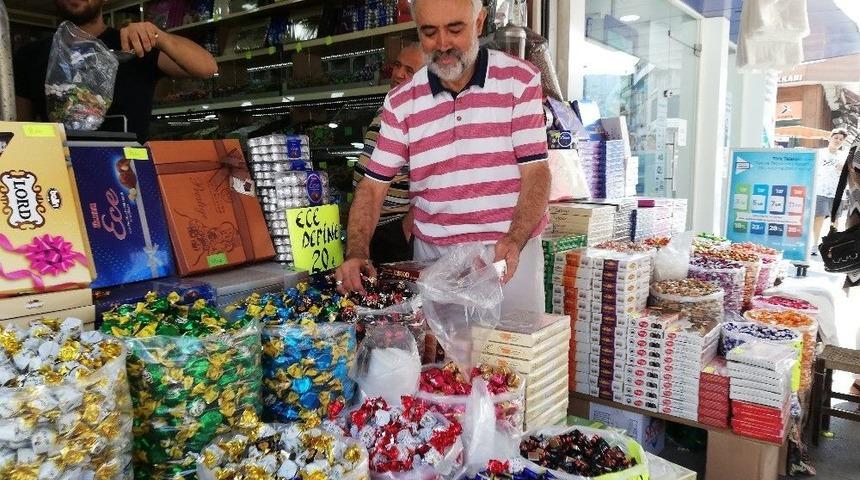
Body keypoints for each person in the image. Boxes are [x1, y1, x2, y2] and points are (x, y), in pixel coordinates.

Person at [335, 0, 551, 313]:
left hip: (507, 255)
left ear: (479, 23)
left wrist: (515, 239)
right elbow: (372, 187)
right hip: (435, 260)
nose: (443, 44)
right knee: (441, 357)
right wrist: (357, 251)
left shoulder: (519, 80)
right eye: (429, 32)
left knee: (515, 355)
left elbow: (537, 173)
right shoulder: (401, 102)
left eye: (455, 29)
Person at [14, 0, 218, 142]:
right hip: (60, 176)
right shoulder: (28, 56)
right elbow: (20, 127)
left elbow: (207, 67)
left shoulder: (135, 44)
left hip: (128, 174)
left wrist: (158, 36)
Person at [352, 42, 425, 264]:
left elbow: (433, 180)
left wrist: (406, 229)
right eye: (397, 66)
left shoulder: (423, 116)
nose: (399, 74)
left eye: (410, 71)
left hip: (394, 228)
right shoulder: (388, 106)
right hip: (369, 223)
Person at [812, 129, 849, 254]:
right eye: (836, 137)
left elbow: (849, 173)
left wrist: (843, 169)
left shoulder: (844, 155)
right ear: (830, 138)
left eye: (841, 139)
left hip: (838, 191)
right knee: (819, 217)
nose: (838, 140)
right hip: (820, 190)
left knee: (835, 219)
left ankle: (832, 246)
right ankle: (814, 244)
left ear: (843, 142)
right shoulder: (819, 153)